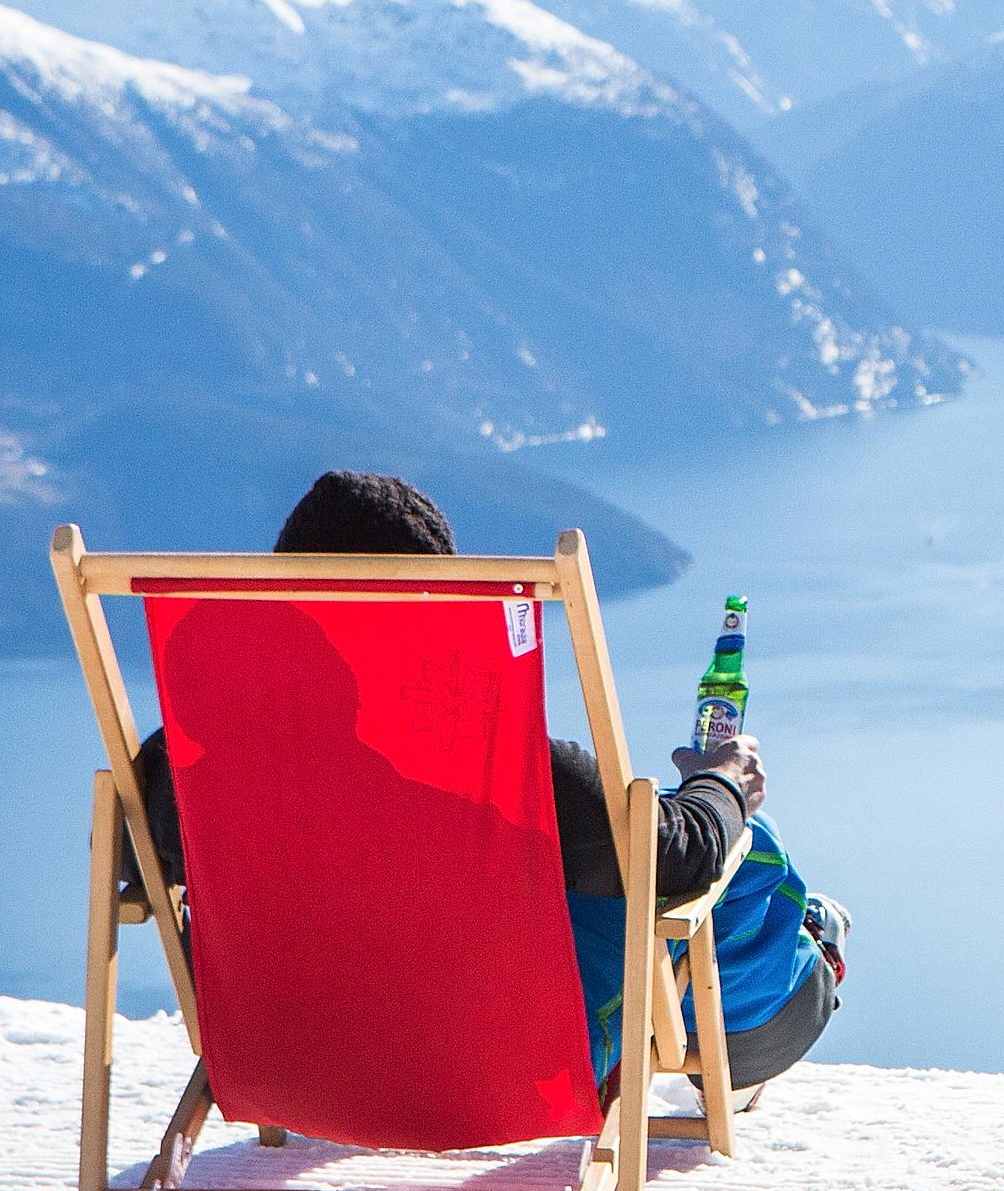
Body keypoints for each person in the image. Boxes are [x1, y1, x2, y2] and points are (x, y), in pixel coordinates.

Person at [125, 469, 847, 1105]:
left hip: (286, 1068)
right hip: (501, 1079)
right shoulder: (507, 777)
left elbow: (137, 881)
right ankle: (777, 1004)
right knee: (744, 850)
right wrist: (722, 781)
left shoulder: (182, 774)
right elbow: (682, 858)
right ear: (436, 609)